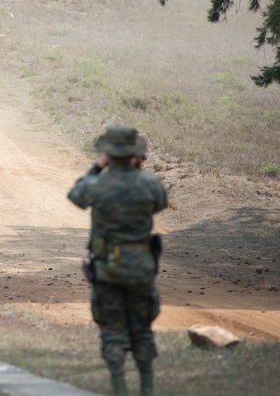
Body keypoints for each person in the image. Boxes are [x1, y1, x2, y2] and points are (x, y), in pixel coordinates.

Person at [68, 126, 168, 396]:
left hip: (108, 266)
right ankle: (147, 387)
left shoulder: (96, 184)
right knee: (142, 329)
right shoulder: (150, 183)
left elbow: (75, 196)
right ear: (136, 153)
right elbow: (160, 204)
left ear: (107, 153)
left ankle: (119, 387)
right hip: (142, 265)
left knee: (112, 328)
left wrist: (97, 166)